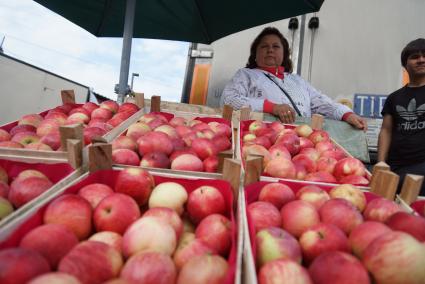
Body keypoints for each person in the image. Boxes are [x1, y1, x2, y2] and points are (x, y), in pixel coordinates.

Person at [220, 27, 366, 129]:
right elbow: (228, 99)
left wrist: (347, 114)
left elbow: (322, 103)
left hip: (301, 143)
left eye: (276, 46)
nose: (270, 49)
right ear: (255, 54)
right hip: (260, 137)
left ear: (284, 54)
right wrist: (272, 107)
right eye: (264, 46)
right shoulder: (245, 75)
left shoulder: (297, 80)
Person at [378, 38, 425, 196]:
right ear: (405, 64)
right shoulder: (394, 98)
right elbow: (386, 131)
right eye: (415, 57)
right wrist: (381, 163)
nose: (421, 59)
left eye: (424, 55)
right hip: (396, 168)